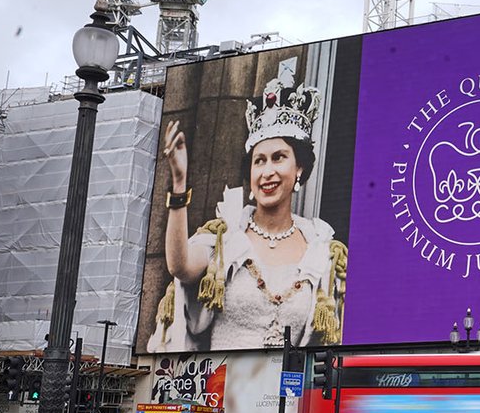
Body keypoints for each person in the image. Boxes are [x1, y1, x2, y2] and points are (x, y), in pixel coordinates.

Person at [149, 56, 348, 352]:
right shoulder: (225, 237)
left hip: (287, 395)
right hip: (224, 391)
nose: (267, 171)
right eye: (259, 161)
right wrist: (179, 184)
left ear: (299, 169)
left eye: (278, 158)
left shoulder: (320, 249)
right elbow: (180, 266)